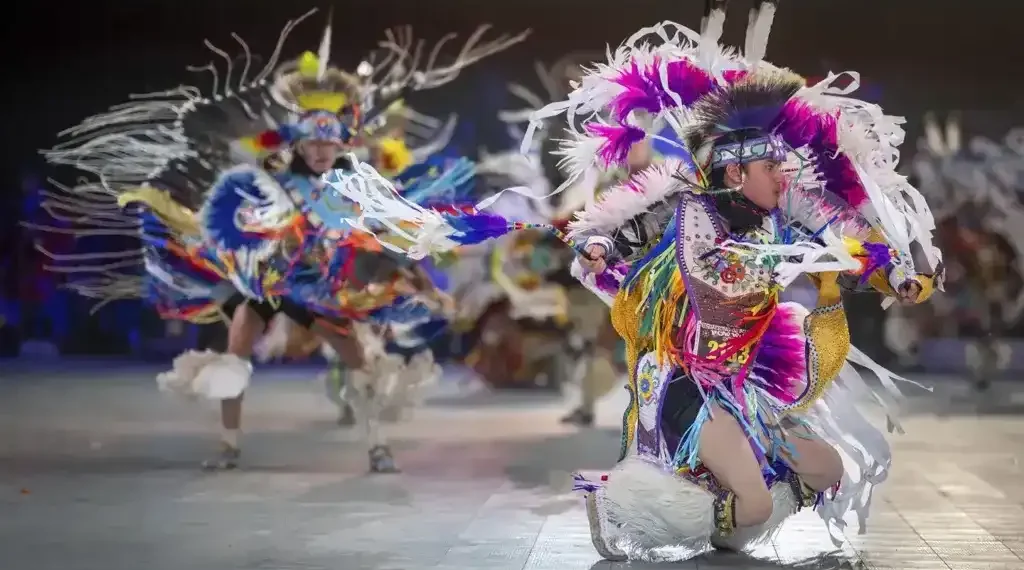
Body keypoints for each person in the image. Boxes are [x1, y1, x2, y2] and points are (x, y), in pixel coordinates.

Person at [38, 9, 527, 473]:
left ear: (340, 145)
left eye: (328, 144)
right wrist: (249, 233)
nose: (319, 151)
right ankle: (229, 446)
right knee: (236, 356)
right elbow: (226, 222)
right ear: (298, 143)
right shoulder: (267, 180)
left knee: (360, 365)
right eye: (312, 143)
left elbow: (387, 241)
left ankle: (377, 445)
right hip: (267, 284)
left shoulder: (355, 186)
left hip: (320, 289)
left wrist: (426, 287)